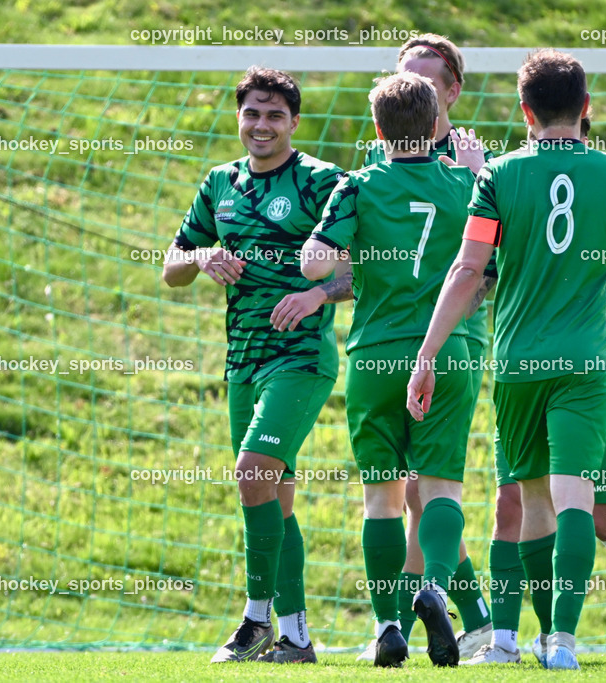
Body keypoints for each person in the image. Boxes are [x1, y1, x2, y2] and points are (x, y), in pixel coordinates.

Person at [406, 50, 606, 670]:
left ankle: (510, 640)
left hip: (518, 362)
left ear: (525, 112)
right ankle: (561, 645)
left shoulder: (497, 176)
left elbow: (468, 269)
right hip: (587, 363)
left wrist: (427, 355)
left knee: (530, 502)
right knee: (576, 498)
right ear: (585, 107)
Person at [465, 115, 606, 666]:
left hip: (596, 375)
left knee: (601, 515)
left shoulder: (605, 195)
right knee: (514, 499)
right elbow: (486, 260)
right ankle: (519, 640)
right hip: (527, 369)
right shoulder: (517, 183)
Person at [162, 66, 352, 665]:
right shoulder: (219, 182)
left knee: (250, 472)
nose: (261, 124)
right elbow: (171, 267)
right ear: (238, 117)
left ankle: (253, 621)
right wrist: (202, 255)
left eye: (274, 115)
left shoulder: (324, 181)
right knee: (273, 493)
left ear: (294, 122)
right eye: (252, 113)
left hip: (299, 357)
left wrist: (318, 294)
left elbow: (369, 266)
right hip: (241, 360)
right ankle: (296, 637)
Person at [301, 71, 479, 668]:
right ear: (435, 125)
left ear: (377, 130)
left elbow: (314, 266)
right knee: (441, 488)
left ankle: (386, 626)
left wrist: (332, 246)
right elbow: (494, 260)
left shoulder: (356, 186)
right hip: (446, 351)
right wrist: (476, 172)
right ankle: (434, 589)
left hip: (376, 354)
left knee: (381, 497)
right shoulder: (466, 185)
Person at [358, 32, 495, 661]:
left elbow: (489, 267)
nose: (415, 88)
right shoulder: (377, 163)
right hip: (401, 340)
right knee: (422, 491)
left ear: (453, 91)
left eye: (429, 81)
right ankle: (466, 615)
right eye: (405, 76)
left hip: (447, 341)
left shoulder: (477, 167)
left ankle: (402, 625)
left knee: (414, 491)